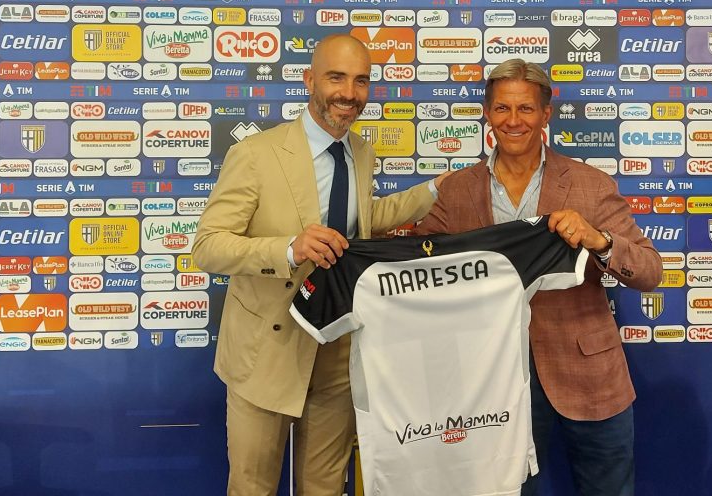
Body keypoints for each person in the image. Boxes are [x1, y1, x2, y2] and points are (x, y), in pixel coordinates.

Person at [193, 33, 441, 496]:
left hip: (337, 349)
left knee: (325, 487)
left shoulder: (361, 151)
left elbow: (360, 220)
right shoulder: (256, 154)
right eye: (336, 78)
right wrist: (289, 248)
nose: (349, 93)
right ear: (309, 80)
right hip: (267, 353)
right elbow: (208, 247)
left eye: (361, 81)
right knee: (252, 487)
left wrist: (435, 191)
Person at [415, 58, 663, 496]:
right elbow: (419, 265)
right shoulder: (457, 191)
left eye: (525, 109)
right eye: (502, 108)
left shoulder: (590, 185)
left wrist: (600, 240)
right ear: (487, 114)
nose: (513, 121)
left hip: (588, 374)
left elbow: (650, 271)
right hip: (491, 382)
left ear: (546, 114)